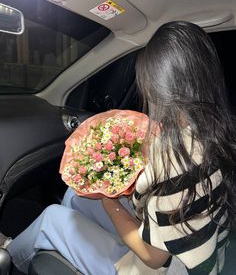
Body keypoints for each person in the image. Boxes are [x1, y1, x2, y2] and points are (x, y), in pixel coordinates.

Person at [1, 21, 236, 275]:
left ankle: (10, 254)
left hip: (167, 268)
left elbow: (153, 257)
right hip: (201, 255)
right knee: (74, 196)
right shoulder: (216, 130)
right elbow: (172, 206)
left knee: (51, 218)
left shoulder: (174, 160)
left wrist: (108, 200)